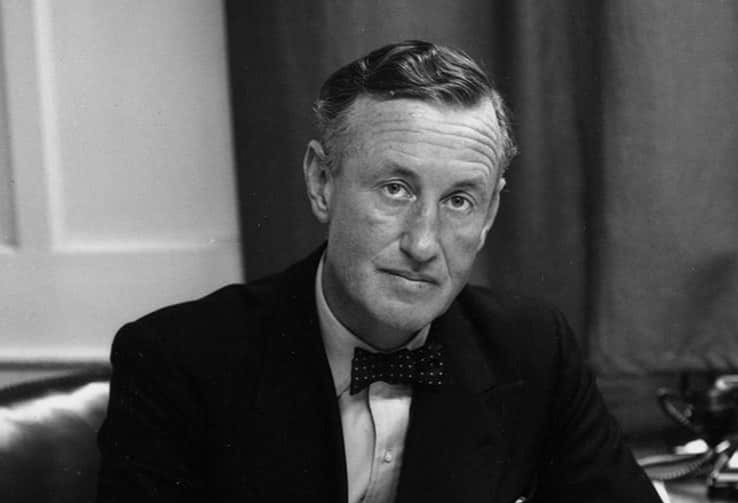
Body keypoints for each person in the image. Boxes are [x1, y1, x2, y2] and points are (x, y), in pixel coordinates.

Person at [97, 40, 662, 503]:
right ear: (322, 181)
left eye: (460, 201)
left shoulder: (533, 347)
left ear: (490, 212)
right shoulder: (177, 359)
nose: (422, 242)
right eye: (396, 189)